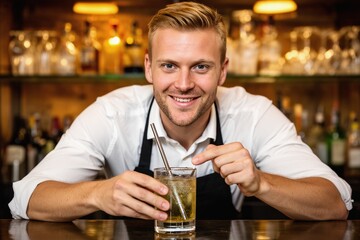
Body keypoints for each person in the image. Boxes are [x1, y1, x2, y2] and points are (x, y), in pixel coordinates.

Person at [9, 1, 352, 221]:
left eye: (201, 67)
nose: (183, 84)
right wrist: (99, 193)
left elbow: (335, 202)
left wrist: (261, 183)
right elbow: (26, 198)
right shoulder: (112, 113)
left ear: (223, 70)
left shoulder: (254, 114)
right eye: (169, 65)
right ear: (148, 69)